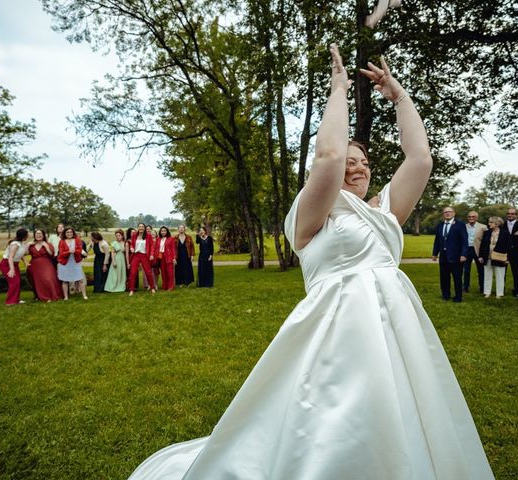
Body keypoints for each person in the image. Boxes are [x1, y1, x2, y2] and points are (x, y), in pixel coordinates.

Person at [128, 45, 493, 480]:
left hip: (397, 326)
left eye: (365, 163)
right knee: (333, 425)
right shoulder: (312, 215)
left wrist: (398, 97)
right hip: (337, 330)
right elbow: (328, 158)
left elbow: (420, 158)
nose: (358, 169)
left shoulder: (384, 212)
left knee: (403, 414)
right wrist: (339, 88)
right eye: (351, 163)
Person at [432, 206, 468, 302]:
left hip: (456, 257)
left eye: (449, 212)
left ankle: (458, 297)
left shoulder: (460, 225)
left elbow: (464, 241)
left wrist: (464, 254)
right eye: (445, 212)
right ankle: (446, 296)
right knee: (444, 277)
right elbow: (437, 240)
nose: (447, 213)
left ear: (454, 213)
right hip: (443, 256)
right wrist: (435, 253)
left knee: (457, 277)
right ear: (443, 214)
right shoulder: (440, 225)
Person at [27, 228, 62, 302]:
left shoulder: (47, 244)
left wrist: (46, 246)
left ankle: (52, 295)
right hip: (34, 265)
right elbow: (24, 253)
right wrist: (28, 245)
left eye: (40, 234)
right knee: (37, 281)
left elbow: (51, 254)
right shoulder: (31, 244)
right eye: (37, 234)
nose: (38, 235)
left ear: (43, 235)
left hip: (46, 263)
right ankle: (40, 296)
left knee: (48, 279)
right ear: (34, 235)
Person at [478, 217, 510, 298]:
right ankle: (487, 292)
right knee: (487, 275)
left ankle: (499, 294)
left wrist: (507, 258)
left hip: (500, 257)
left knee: (500, 276)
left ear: (497, 224)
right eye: (489, 222)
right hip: (487, 257)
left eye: (491, 222)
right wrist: (481, 256)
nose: (489, 224)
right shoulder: (487, 232)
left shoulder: (505, 233)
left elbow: (508, 246)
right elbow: (482, 245)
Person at [0, 227, 29, 306]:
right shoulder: (15, 244)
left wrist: (25, 262)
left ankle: (16, 299)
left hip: (15, 264)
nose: (28, 236)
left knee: (17, 282)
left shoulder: (22, 243)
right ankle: (10, 302)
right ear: (24, 236)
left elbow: (21, 255)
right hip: (6, 264)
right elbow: (11, 257)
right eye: (27, 235)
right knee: (14, 282)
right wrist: (12, 269)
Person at [57, 227, 88, 300]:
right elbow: (61, 253)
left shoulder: (77, 240)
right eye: (67, 232)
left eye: (70, 232)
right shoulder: (62, 241)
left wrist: (74, 251)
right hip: (64, 263)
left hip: (75, 262)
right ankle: (66, 297)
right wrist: (69, 252)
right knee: (65, 280)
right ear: (65, 233)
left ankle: (84, 295)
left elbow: (80, 250)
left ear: (73, 233)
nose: (69, 233)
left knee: (80, 279)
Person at [128, 223, 156, 296]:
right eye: (139, 226)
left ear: (144, 228)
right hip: (136, 255)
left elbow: (152, 245)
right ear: (137, 227)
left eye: (142, 227)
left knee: (148, 272)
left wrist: (152, 254)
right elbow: (132, 244)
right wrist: (131, 247)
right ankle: (131, 290)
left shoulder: (148, 236)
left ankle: (152, 288)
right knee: (133, 272)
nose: (141, 228)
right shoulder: (134, 235)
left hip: (144, 255)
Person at [463, 211, 487, 293]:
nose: (471, 218)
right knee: (466, 270)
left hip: (478, 250)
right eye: (469, 217)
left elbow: (485, 241)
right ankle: (465, 287)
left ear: (476, 218)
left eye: (473, 217)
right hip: (467, 249)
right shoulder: (464, 226)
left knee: (481, 270)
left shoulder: (483, 227)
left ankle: (482, 288)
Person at [503, 208, 518, 297]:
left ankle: (517, 291)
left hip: (516, 252)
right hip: (504, 251)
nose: (510, 215)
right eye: (508, 213)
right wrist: (513, 235)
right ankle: (501, 290)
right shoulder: (502, 225)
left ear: (516, 215)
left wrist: (509, 236)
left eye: (512, 214)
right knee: (502, 272)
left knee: (516, 272)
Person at [156, 226, 176, 290]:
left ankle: (170, 286)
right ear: (160, 232)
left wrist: (174, 258)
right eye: (162, 231)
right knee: (163, 273)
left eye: (164, 231)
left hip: (169, 257)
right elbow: (156, 248)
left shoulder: (171, 239)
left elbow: (173, 249)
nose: (163, 232)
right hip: (161, 257)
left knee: (170, 273)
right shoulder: (158, 239)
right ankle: (164, 286)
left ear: (167, 231)